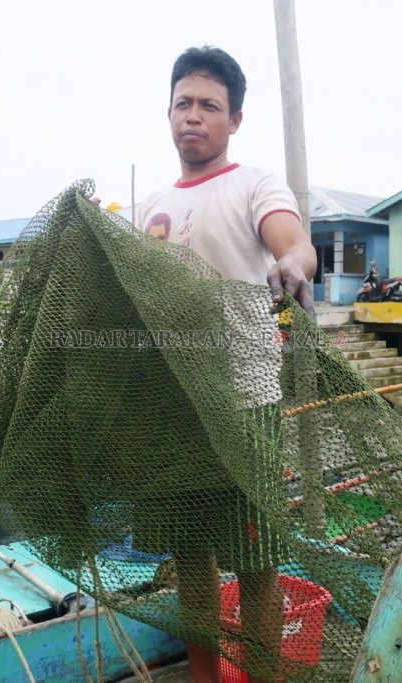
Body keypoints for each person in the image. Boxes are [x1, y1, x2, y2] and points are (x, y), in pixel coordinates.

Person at [136, 45, 316, 683]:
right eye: (183, 103)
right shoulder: (151, 203)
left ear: (233, 119)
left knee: (256, 558)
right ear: (169, 113)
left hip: (244, 398)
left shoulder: (255, 182)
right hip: (174, 405)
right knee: (190, 556)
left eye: (209, 106)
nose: (194, 116)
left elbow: (293, 241)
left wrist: (293, 263)